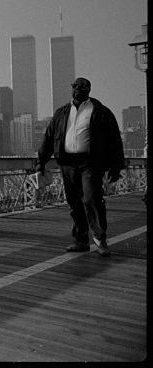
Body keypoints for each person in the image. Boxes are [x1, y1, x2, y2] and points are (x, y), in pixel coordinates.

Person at [37, 77, 125, 257]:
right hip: (67, 163)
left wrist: (116, 167)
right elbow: (49, 137)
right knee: (74, 202)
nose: (78, 89)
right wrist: (41, 161)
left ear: (89, 89)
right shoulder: (61, 112)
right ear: (72, 89)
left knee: (92, 199)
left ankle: (100, 239)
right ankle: (81, 239)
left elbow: (114, 140)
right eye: (75, 86)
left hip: (90, 163)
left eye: (82, 86)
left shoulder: (100, 111)